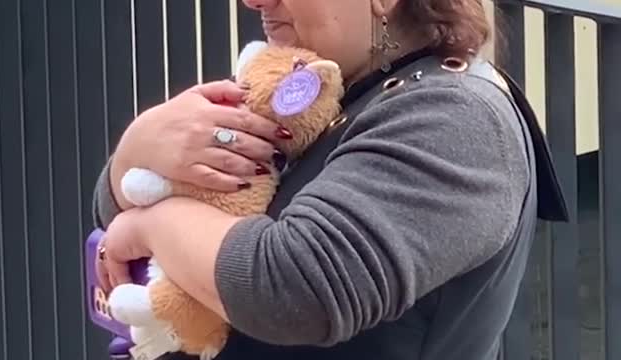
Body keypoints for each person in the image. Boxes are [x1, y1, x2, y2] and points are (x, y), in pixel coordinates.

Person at [92, 0, 568, 359]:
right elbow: (136, 215)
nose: (252, 1)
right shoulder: (325, 87)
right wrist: (131, 161)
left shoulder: (456, 118)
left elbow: (295, 289)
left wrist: (150, 224)